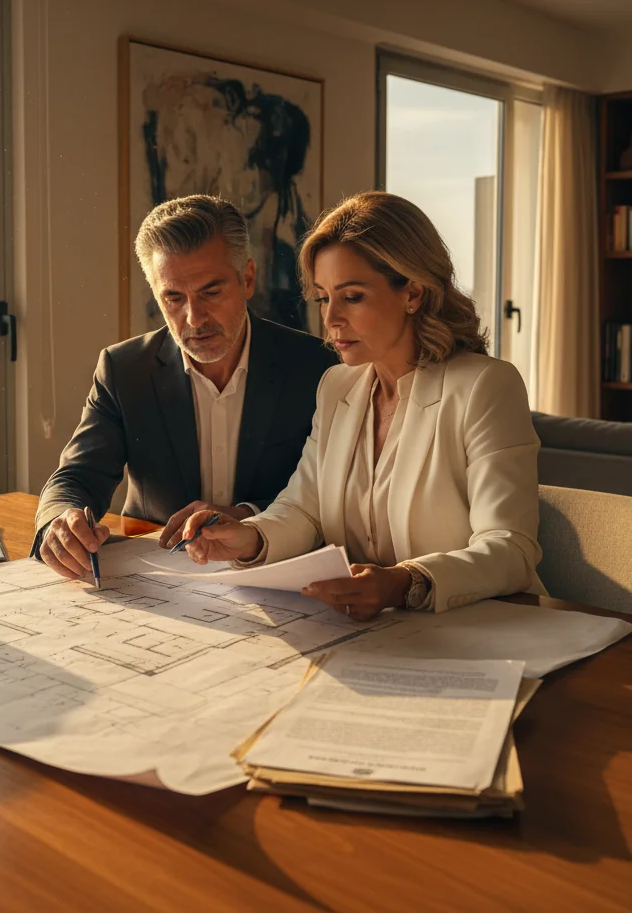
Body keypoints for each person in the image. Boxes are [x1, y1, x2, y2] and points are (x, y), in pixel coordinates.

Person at [183, 191, 546, 618]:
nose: (331, 317)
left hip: (482, 630)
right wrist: (250, 537)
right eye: (323, 297)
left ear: (412, 292)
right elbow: (304, 509)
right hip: (373, 635)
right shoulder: (337, 386)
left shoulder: (485, 386)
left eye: (352, 297)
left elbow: (510, 547)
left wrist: (403, 582)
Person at [35, 194, 336, 580]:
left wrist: (247, 517)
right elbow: (76, 477)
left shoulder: (317, 366)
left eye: (211, 292)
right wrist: (60, 520)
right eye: (173, 298)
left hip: (278, 573)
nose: (194, 318)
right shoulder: (124, 369)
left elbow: (329, 497)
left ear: (247, 279)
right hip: (159, 577)